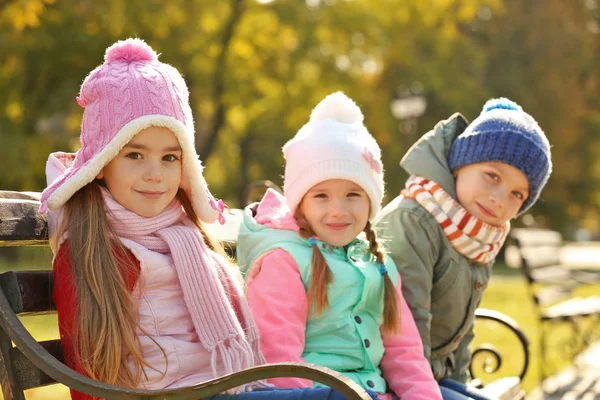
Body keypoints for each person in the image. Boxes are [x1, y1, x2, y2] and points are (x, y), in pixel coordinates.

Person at [40, 38, 370, 400]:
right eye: (135, 155)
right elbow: (89, 377)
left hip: (220, 389)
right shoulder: (93, 250)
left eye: (170, 158)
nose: (155, 174)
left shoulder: (184, 233)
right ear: (102, 163)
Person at [237, 92, 443, 400]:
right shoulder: (283, 260)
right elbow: (280, 365)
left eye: (353, 195)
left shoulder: (377, 263)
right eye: (321, 196)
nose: (338, 210)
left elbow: (405, 352)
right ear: (300, 203)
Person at [374, 98, 552, 399]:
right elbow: (405, 332)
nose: (499, 199)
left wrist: (462, 385)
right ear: (461, 163)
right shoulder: (413, 222)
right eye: (493, 176)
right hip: (388, 377)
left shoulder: (479, 235)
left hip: (433, 375)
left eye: (517, 194)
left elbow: (462, 332)